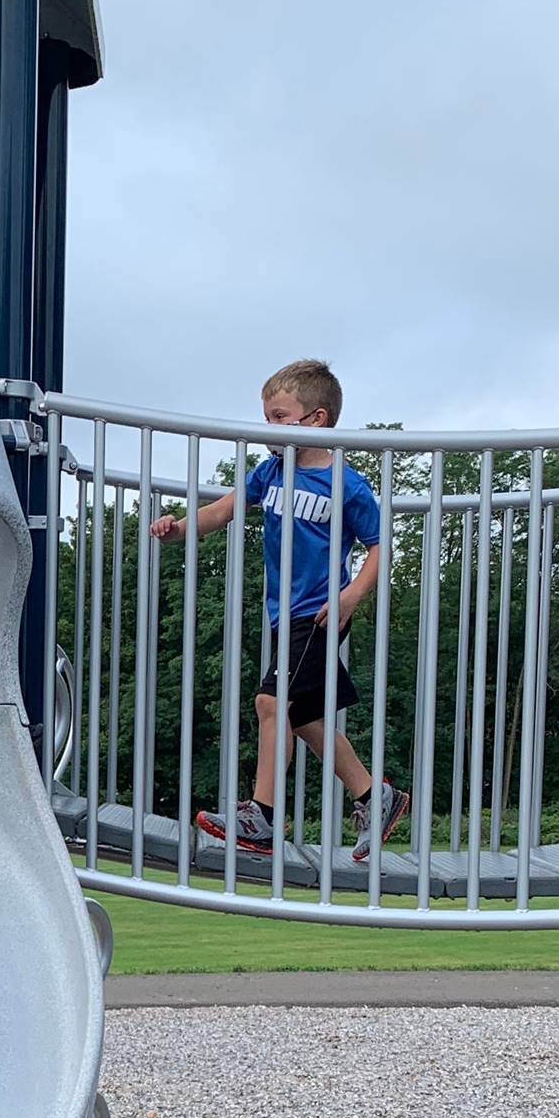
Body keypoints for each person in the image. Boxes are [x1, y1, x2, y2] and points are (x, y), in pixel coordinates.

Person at [151, 359, 409, 861]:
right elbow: (222, 510)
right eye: (264, 417)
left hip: (318, 612)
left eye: (277, 416)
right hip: (281, 615)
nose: (266, 428)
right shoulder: (268, 471)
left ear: (314, 420)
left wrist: (351, 595)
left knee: (270, 705)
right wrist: (179, 527)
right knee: (302, 719)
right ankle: (375, 795)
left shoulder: (347, 485)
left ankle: (262, 817)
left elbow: (381, 546)